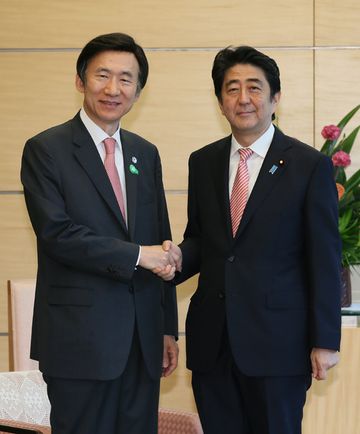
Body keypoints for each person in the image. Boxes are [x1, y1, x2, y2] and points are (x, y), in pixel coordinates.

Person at [158, 46, 341, 434]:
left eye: (254, 88)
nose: (243, 99)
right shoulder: (202, 162)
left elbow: (324, 258)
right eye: (232, 88)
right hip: (213, 344)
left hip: (279, 346)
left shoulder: (309, 166)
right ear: (220, 101)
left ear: (275, 97)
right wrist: (175, 258)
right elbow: (203, 241)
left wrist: (325, 341)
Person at [21, 32, 178, 434]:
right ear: (80, 81)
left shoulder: (146, 152)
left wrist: (165, 329)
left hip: (142, 344)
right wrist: (138, 256)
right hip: (79, 343)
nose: (113, 88)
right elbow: (57, 234)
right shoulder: (46, 149)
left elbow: (160, 240)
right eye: (102, 75)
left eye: (126, 79)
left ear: (138, 90)